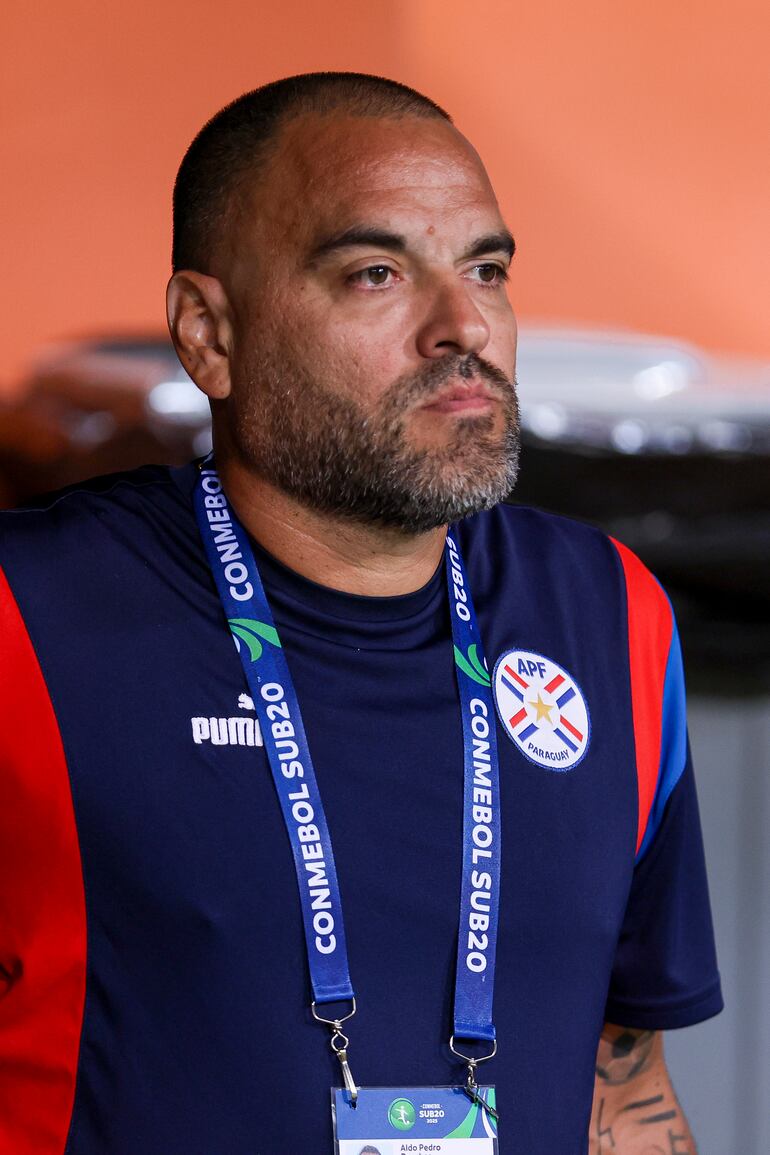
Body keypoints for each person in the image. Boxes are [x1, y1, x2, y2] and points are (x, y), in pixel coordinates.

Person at [0, 72, 722, 1154]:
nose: (462, 324)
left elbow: (624, 1088)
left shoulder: (610, 616)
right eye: (375, 273)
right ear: (208, 333)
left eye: (486, 268)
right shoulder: (29, 616)